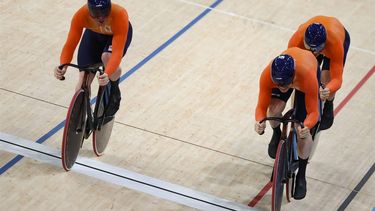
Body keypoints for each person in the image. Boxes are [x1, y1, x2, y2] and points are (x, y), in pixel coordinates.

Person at [254, 47, 320, 199]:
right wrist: (259, 121)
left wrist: (307, 126)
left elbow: (313, 113)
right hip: (292, 75)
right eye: (278, 84)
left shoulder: (307, 77)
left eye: (284, 84)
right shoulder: (267, 75)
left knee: (301, 130)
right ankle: (277, 134)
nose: (281, 88)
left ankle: (302, 175)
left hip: (307, 71)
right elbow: (261, 107)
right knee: (273, 110)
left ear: (293, 76)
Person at [54, 0, 133, 117]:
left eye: (104, 14)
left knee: (107, 57)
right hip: (94, 36)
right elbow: (70, 43)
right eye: (96, 16)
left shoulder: (119, 14)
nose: (100, 19)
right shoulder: (81, 15)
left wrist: (107, 73)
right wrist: (63, 65)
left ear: (110, 9)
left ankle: (114, 90)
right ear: (89, 11)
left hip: (115, 37)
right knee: (82, 81)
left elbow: (117, 52)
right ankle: (83, 116)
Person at [288, 15, 350, 130]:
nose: (314, 52)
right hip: (318, 44)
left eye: (317, 49)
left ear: (323, 44)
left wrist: (328, 90)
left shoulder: (334, 44)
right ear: (304, 41)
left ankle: (329, 104)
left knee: (326, 80)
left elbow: (337, 79)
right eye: (310, 48)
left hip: (338, 38)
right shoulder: (297, 40)